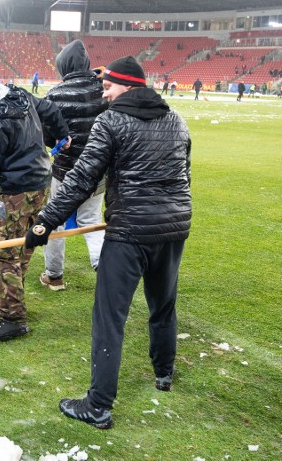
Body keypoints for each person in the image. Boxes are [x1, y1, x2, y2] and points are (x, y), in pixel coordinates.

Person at [26, 56, 191, 430]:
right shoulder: (176, 118)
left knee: (109, 319)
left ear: (128, 86)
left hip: (130, 232)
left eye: (108, 86)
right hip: (173, 228)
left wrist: (43, 224)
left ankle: (98, 405)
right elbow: (185, 174)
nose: (103, 92)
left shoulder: (112, 120)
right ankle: (163, 373)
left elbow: (83, 178)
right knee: (163, 306)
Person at [0, 63, 69, 342]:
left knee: (0, 250)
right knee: (23, 244)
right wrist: (62, 135)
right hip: (41, 181)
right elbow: (51, 110)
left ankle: (13, 318)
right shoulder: (18, 94)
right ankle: (8, 299)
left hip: (18, 189)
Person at [40, 40, 107, 291]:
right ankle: (103, 266)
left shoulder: (55, 94)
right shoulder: (105, 89)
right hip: (98, 169)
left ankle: (54, 275)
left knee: (55, 220)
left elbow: (47, 137)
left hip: (65, 170)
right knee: (91, 219)